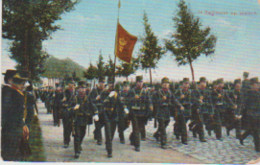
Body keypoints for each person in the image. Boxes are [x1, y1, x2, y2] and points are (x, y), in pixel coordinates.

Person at [2, 70, 31, 161]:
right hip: (12, 132)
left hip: (12, 130)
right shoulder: (13, 93)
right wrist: (21, 126)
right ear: (10, 80)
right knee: (12, 156)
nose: (23, 85)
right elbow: (12, 114)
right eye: (21, 83)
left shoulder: (9, 92)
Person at [153, 77, 183, 149]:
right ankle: (163, 142)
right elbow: (155, 102)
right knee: (163, 127)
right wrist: (161, 100)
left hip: (167, 111)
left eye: (167, 84)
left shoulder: (170, 93)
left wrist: (180, 105)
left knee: (166, 123)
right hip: (159, 111)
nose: (166, 85)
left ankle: (157, 134)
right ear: (161, 84)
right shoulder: (157, 93)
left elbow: (174, 100)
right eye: (164, 84)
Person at [73, 81, 99, 158]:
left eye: (83, 88)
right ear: (78, 89)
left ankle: (79, 144)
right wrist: (73, 108)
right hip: (77, 118)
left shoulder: (88, 98)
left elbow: (92, 105)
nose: (82, 90)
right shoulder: (74, 98)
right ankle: (76, 151)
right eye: (80, 88)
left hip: (84, 119)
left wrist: (95, 113)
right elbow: (69, 107)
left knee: (82, 133)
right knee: (77, 135)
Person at [128, 76, 153, 151]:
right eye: (138, 82)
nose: (140, 83)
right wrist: (133, 98)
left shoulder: (145, 91)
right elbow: (127, 100)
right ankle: (137, 145)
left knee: (139, 128)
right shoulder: (132, 91)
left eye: (141, 82)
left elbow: (148, 101)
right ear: (136, 82)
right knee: (135, 128)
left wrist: (150, 108)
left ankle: (132, 138)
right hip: (134, 112)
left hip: (142, 112)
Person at [240, 77, 260, 152]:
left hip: (258, 113)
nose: (257, 85)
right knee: (255, 130)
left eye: (258, 84)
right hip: (252, 114)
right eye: (256, 84)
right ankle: (258, 147)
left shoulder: (258, 92)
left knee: (252, 129)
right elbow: (244, 103)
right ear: (251, 85)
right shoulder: (248, 93)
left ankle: (242, 137)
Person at [191, 77, 212, 142]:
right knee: (200, 122)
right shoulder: (195, 91)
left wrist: (210, 110)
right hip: (197, 109)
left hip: (205, 109)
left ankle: (194, 130)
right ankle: (201, 137)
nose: (203, 84)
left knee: (203, 122)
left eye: (204, 83)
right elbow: (192, 99)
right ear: (199, 84)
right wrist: (198, 101)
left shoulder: (207, 91)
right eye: (202, 83)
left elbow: (209, 101)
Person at [89, 77, 106, 145]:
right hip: (96, 110)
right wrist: (96, 99)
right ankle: (99, 139)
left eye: (103, 82)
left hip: (103, 110)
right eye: (101, 82)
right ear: (98, 83)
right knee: (98, 124)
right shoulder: (94, 91)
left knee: (104, 123)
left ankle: (96, 132)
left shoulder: (105, 91)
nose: (102, 84)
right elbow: (90, 101)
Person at [174, 78, 191, 145]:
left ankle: (176, 129)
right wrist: (180, 99)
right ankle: (184, 139)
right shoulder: (178, 91)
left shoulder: (189, 92)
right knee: (183, 124)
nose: (186, 85)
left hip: (187, 109)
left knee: (181, 123)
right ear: (182, 84)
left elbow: (191, 100)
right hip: (180, 109)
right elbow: (174, 99)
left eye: (187, 84)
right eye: (185, 83)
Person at [61, 79, 77, 148]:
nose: (71, 86)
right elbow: (59, 102)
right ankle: (66, 141)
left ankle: (77, 143)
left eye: (72, 84)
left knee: (76, 128)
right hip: (66, 112)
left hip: (75, 112)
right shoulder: (64, 93)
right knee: (66, 128)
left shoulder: (76, 93)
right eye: (70, 84)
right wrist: (63, 102)